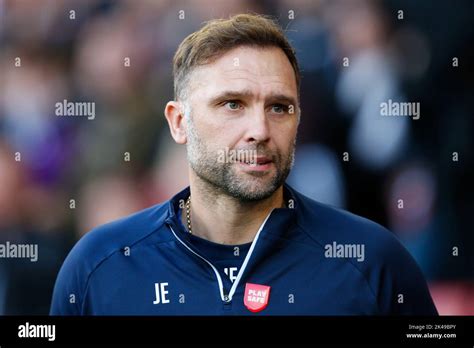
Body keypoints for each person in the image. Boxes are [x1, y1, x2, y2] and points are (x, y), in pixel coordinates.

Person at [50, 13, 437, 315]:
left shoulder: (372, 262)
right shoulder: (98, 266)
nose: (260, 129)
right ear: (179, 122)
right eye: (232, 104)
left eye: (280, 107)